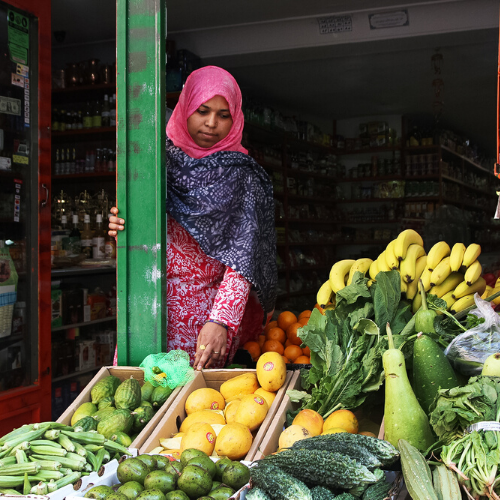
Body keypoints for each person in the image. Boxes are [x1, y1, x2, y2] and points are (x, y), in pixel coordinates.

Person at [108, 66, 277, 370]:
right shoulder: (156, 165)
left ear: (235, 117)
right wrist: (121, 229)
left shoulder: (242, 176)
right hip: (146, 309)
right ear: (186, 107)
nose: (211, 123)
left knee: (193, 410)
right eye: (202, 110)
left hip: (205, 321)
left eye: (223, 115)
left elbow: (243, 258)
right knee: (138, 403)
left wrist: (221, 321)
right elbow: (138, 240)